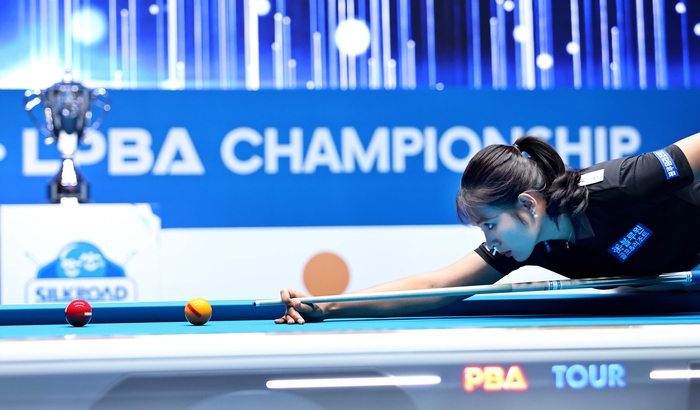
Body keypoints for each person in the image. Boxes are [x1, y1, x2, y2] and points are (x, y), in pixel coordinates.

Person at [276, 132, 700, 324]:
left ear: (527, 205)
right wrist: (329, 306)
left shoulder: (622, 183)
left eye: (490, 224)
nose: (490, 239)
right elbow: (435, 286)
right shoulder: (531, 244)